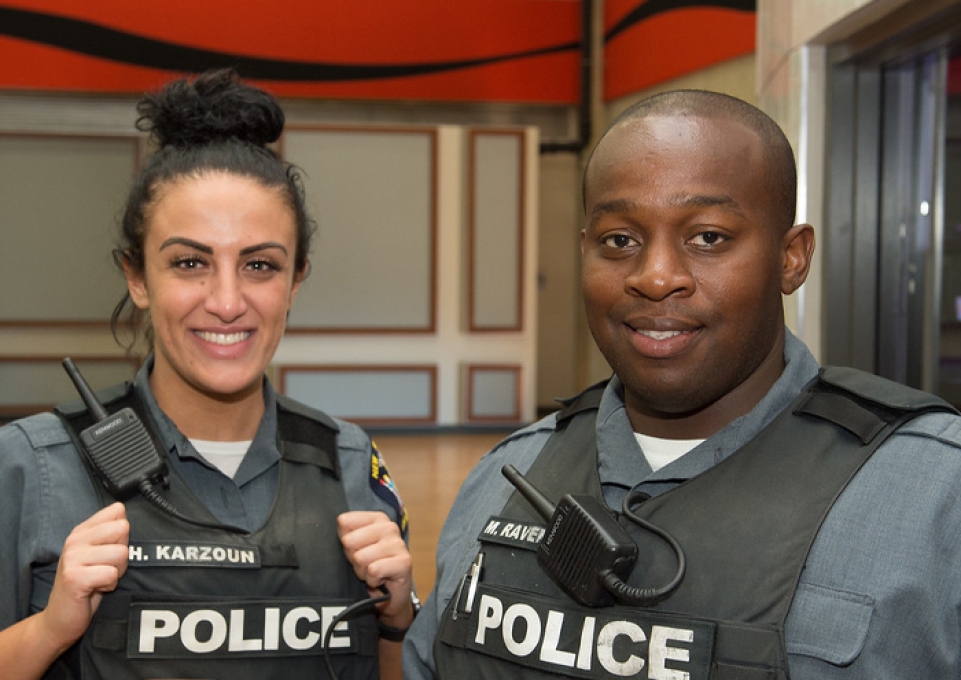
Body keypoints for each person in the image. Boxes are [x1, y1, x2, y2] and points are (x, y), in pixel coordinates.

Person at [403, 89, 961, 679]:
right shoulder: (504, 476)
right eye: (620, 240)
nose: (656, 277)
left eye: (708, 238)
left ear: (791, 258)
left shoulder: (935, 496)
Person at [0, 69, 416, 680]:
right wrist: (49, 630)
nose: (226, 301)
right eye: (190, 263)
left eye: (259, 265)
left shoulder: (350, 465)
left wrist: (397, 619)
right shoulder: (34, 466)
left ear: (294, 282)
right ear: (137, 277)